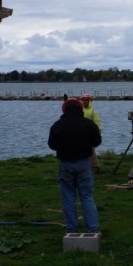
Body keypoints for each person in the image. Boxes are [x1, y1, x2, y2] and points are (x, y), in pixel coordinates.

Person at [48, 96, 102, 234]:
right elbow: (97, 141)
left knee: (68, 197)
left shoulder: (57, 125)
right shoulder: (88, 124)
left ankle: (72, 229)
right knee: (87, 196)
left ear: (64, 109)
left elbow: (52, 145)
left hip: (65, 164)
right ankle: (92, 228)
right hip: (84, 163)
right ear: (81, 108)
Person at [80, 94, 102, 172]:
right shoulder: (79, 110)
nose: (85, 101)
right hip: (80, 133)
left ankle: (95, 166)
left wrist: (98, 132)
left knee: (91, 150)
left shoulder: (93, 111)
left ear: (90, 101)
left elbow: (97, 122)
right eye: (83, 100)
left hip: (90, 134)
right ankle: (84, 166)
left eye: (86, 100)